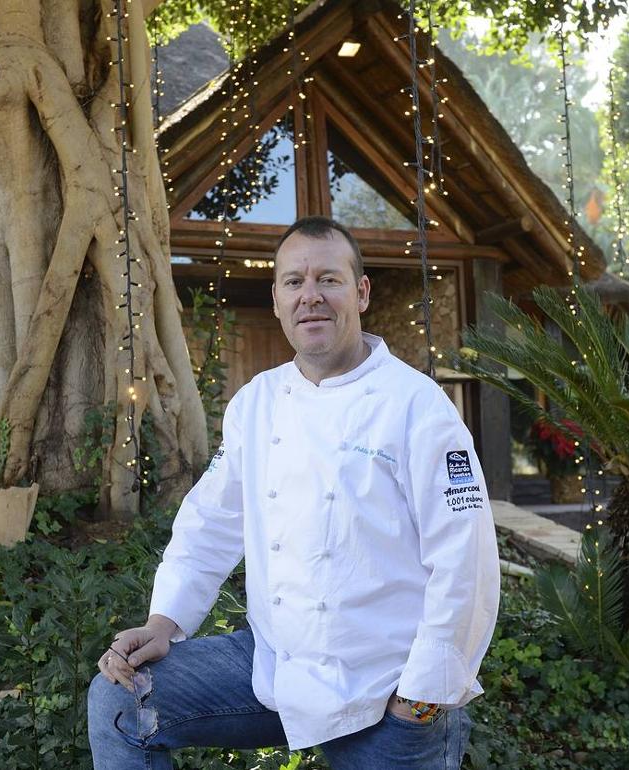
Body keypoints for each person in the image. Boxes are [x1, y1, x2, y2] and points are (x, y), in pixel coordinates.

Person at [88, 216, 500, 769]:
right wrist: (165, 622)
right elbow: (209, 523)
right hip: (276, 664)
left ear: (361, 292)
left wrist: (421, 698)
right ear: (278, 300)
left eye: (328, 279)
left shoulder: (418, 407)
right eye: (294, 282)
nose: (311, 297)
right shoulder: (256, 404)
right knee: (120, 698)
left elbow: (465, 563)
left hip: (387, 691)